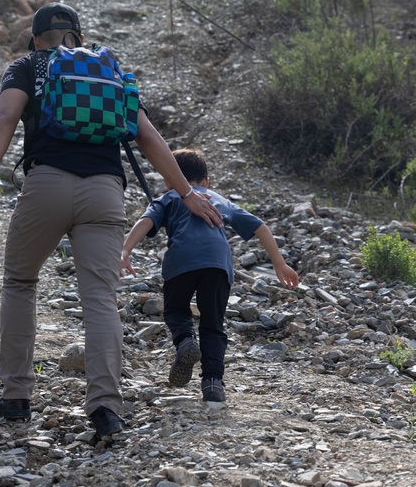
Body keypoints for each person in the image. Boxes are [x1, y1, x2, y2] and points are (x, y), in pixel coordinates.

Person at [0, 2, 223, 441]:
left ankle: (16, 395)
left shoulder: (28, 65)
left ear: (36, 39)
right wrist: (187, 193)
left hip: (46, 184)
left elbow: (6, 118)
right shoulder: (106, 71)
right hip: (106, 191)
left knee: (20, 281)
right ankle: (106, 407)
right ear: (80, 39)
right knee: (100, 299)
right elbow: (147, 137)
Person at [120, 148, 300, 402]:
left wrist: (125, 250)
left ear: (169, 179)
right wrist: (279, 264)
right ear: (206, 181)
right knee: (213, 324)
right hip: (217, 263)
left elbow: (145, 222)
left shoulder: (171, 196)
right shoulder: (217, 198)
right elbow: (260, 226)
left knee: (175, 310)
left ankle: (185, 341)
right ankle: (213, 384)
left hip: (181, 261)